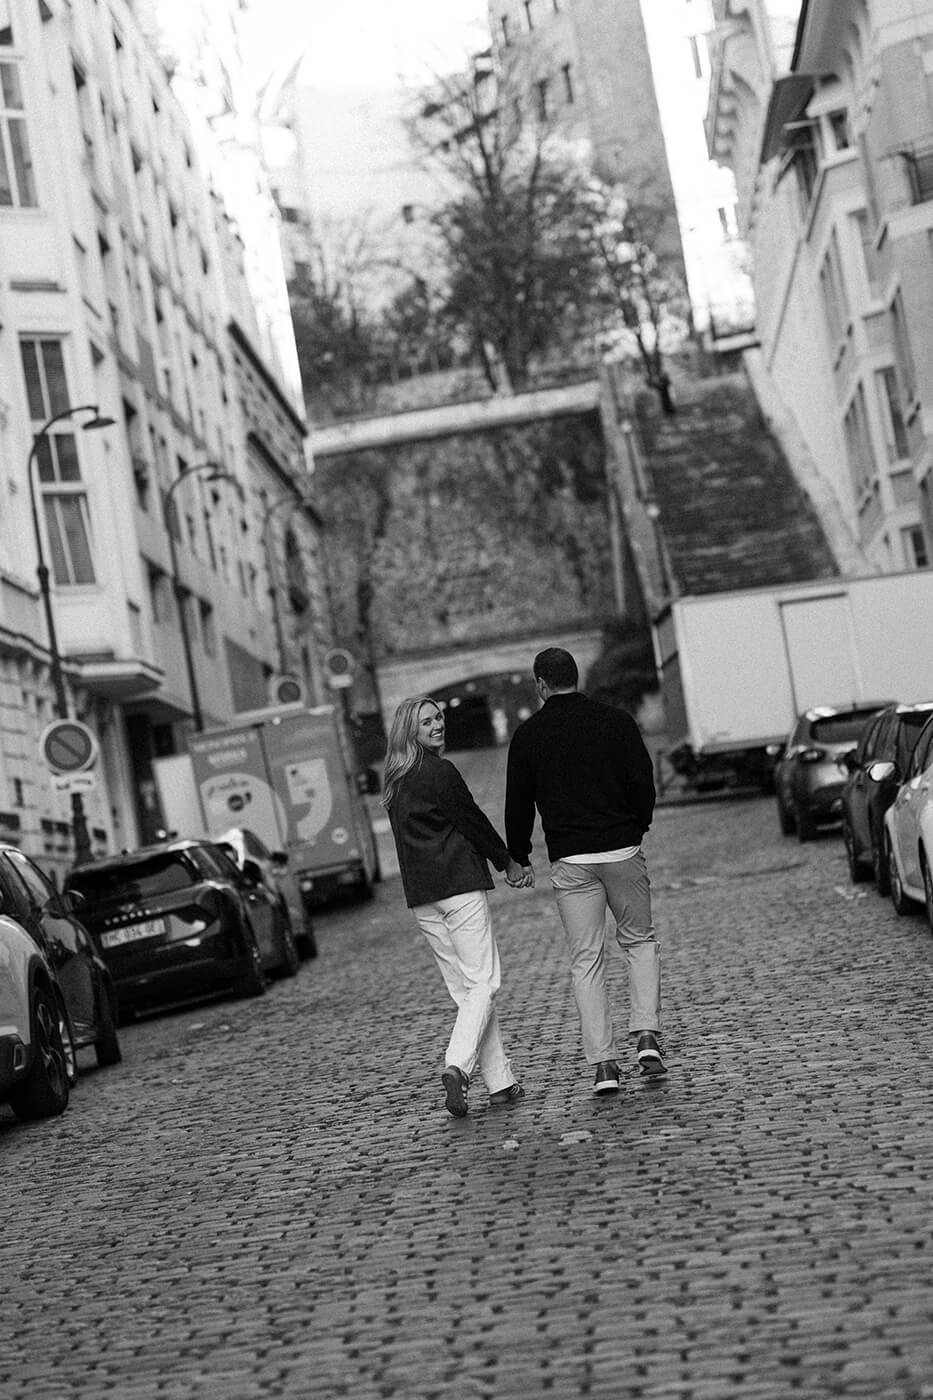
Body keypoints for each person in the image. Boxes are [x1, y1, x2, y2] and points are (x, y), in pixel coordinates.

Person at [504, 647, 666, 1096]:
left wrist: (516, 855)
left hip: (571, 861)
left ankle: (604, 1067)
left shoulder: (529, 736)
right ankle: (647, 1035)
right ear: (577, 677)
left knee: (586, 960)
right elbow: (642, 780)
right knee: (639, 941)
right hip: (621, 849)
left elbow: (518, 803)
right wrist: (639, 824)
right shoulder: (616, 722)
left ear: (540, 684)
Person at [384, 695, 531, 1118]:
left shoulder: (394, 781)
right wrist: (508, 861)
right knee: (483, 983)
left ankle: (500, 1082)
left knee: (468, 993)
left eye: (439, 718)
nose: (437, 725)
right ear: (410, 730)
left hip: (423, 896)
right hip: (459, 887)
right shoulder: (439, 772)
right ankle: (457, 1066)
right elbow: (472, 821)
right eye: (427, 721)